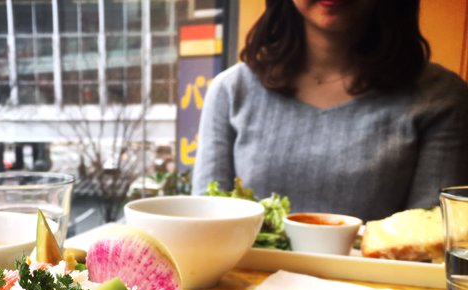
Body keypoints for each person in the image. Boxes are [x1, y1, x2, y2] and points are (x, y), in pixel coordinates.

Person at [192, 0, 468, 221]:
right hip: (242, 279)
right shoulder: (231, 90)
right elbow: (203, 225)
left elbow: (430, 239)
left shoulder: (441, 97)